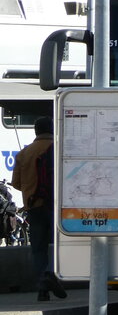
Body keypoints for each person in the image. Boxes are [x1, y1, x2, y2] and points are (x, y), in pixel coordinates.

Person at [11, 116, 66, 301]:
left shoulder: (23, 154)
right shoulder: (59, 149)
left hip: (33, 206)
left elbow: (16, 183)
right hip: (57, 205)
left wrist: (31, 187)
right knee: (60, 243)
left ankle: (43, 287)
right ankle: (51, 273)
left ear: (35, 131)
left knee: (38, 248)